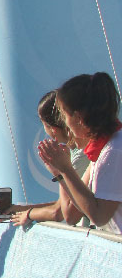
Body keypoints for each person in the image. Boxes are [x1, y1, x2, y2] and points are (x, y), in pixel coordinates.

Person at [35, 73, 122, 234]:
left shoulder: (114, 151)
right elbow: (77, 210)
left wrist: (66, 169)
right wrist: (61, 171)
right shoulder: (105, 148)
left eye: (64, 115)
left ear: (78, 118)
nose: (64, 123)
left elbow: (99, 216)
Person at [9, 90, 92, 227]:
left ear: (53, 129)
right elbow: (62, 203)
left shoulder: (82, 156)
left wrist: (61, 172)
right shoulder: (77, 154)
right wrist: (18, 210)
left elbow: (65, 213)